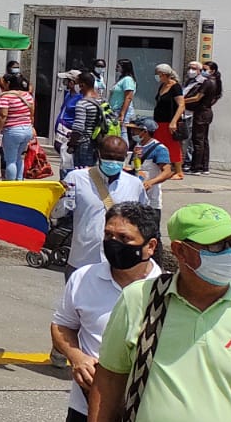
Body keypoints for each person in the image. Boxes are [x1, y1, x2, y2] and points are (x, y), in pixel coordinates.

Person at [86, 204, 231, 422]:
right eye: (217, 246)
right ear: (181, 251)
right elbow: (110, 378)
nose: (229, 253)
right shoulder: (141, 300)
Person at [48, 202, 161, 422]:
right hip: (87, 412)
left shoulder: (165, 292)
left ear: (150, 246)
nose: (113, 244)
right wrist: (75, 356)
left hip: (144, 417)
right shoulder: (84, 278)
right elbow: (62, 324)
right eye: (108, 235)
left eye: (124, 239)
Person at [60, 135, 147, 274]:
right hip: (83, 260)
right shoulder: (75, 178)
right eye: (109, 156)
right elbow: (58, 213)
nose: (113, 162)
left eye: (119, 158)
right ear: (98, 154)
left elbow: (143, 220)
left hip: (119, 263)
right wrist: (59, 195)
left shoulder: (135, 184)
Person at [0, 73, 37, 181]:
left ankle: (10, 184)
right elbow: (32, 114)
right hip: (27, 129)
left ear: (9, 84)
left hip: (12, 130)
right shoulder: (28, 96)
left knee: (10, 160)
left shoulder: (5, 97)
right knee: (19, 157)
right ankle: (19, 180)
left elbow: (3, 116)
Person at [149, 64, 186, 180]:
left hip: (169, 122)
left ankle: (179, 171)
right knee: (159, 145)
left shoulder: (175, 87)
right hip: (159, 121)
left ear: (164, 74)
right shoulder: (162, 86)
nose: (157, 76)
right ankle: (164, 168)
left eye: (158, 74)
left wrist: (173, 121)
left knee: (173, 145)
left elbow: (181, 105)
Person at [68, 72, 107, 170]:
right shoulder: (102, 101)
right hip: (97, 143)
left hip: (84, 145)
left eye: (76, 84)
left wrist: (71, 144)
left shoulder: (82, 103)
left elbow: (78, 128)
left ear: (82, 85)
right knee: (93, 172)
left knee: (83, 174)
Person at [187, 60, 221, 174]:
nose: (203, 72)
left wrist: (182, 100)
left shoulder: (207, 82)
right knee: (204, 140)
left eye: (205, 70)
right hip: (207, 112)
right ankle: (204, 166)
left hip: (201, 113)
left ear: (213, 71)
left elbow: (197, 97)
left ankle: (196, 166)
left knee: (198, 140)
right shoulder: (216, 82)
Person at [108, 58, 137, 122]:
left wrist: (122, 114)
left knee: (121, 131)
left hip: (121, 111)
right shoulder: (122, 79)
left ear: (124, 67)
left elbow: (128, 97)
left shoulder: (128, 79)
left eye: (118, 66)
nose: (116, 69)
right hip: (115, 110)